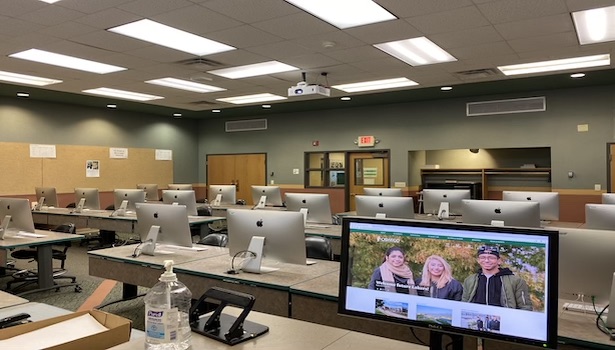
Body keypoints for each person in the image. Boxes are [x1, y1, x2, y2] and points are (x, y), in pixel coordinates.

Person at [462, 246, 532, 310]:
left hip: (505, 321)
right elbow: (464, 304)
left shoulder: (516, 281)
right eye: (483, 257)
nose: (486, 261)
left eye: (491, 258)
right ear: (478, 260)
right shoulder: (470, 280)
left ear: (499, 261)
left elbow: (525, 307)